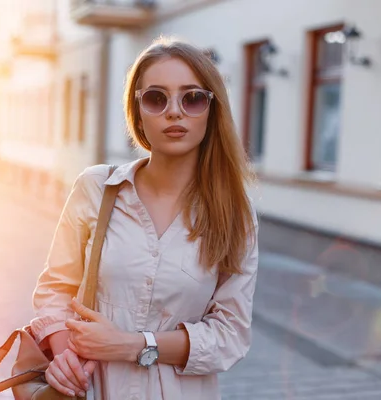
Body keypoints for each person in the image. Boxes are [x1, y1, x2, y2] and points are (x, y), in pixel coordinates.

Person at [30, 37, 260, 400]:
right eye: (156, 98)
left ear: (211, 110)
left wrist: (129, 345)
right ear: (137, 112)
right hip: (90, 389)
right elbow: (55, 289)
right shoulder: (95, 188)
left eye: (192, 98)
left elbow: (230, 335)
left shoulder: (234, 215)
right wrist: (63, 355)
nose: (174, 111)